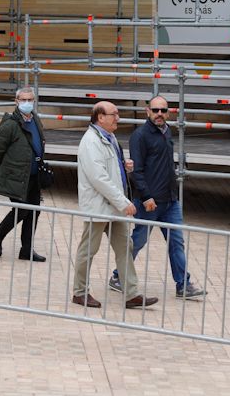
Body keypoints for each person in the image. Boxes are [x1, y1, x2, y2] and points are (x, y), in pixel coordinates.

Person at [109, 95, 205, 300]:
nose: (159, 114)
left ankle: (183, 285)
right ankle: (117, 276)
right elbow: (136, 170)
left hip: (170, 202)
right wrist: (146, 196)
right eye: (155, 110)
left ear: (168, 112)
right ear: (147, 111)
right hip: (149, 203)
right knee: (138, 240)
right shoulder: (140, 136)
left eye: (163, 110)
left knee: (176, 242)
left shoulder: (167, 131)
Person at [71, 101, 158, 310]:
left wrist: (123, 165)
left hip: (113, 206)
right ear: (100, 117)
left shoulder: (108, 137)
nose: (117, 117)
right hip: (100, 206)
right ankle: (79, 292)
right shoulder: (91, 141)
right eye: (114, 114)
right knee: (88, 249)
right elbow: (98, 178)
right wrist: (123, 202)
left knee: (124, 247)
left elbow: (108, 169)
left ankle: (131, 293)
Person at [0, 86, 47, 262]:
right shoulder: (10, 124)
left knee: (34, 211)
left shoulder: (35, 119)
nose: (27, 103)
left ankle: (26, 250)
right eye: (23, 100)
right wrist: (6, 169)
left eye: (30, 100)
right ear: (16, 101)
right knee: (21, 210)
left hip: (34, 176)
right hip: (17, 177)